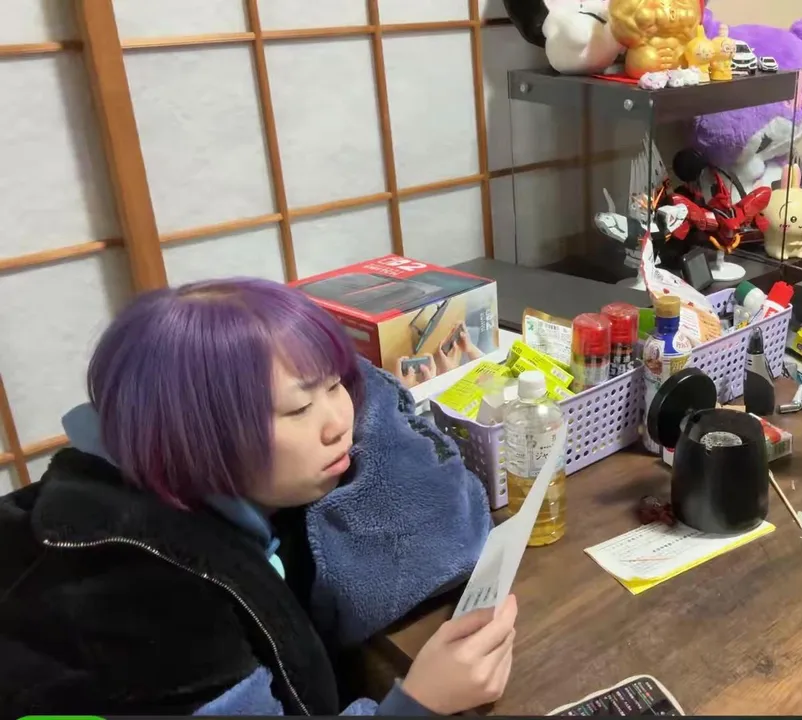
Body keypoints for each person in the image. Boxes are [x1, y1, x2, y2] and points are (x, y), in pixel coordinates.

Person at [0, 278, 508, 715]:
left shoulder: (213, 482)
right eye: (298, 409)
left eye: (336, 386)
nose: (339, 422)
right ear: (194, 435)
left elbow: (438, 530)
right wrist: (419, 702)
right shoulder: (137, 589)